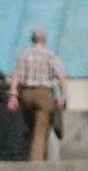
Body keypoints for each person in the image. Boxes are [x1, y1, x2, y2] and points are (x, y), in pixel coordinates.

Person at [7, 29, 68, 161]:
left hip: (26, 94)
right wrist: (63, 96)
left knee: (30, 127)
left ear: (32, 39)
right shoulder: (50, 55)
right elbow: (61, 77)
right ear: (44, 40)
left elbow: (16, 76)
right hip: (44, 93)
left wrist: (13, 95)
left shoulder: (23, 55)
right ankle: (36, 164)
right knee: (41, 130)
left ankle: (31, 156)